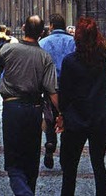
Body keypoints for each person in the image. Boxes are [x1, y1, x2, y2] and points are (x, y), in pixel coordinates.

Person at [0, 15, 58, 195]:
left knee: (14, 163)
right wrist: (62, 115)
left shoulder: (8, 49)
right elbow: (52, 91)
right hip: (34, 110)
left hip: (12, 108)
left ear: (22, 28)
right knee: (31, 161)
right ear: (42, 33)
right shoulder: (45, 57)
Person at [57, 17, 106, 196]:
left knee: (70, 168)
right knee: (99, 164)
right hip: (99, 118)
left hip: (75, 119)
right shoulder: (104, 60)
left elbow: (64, 92)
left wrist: (62, 114)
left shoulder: (70, 61)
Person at [39, 13, 76, 168]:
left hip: (50, 87)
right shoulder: (73, 41)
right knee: (68, 118)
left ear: (51, 26)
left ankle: (50, 142)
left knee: (50, 116)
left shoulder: (43, 42)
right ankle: (65, 155)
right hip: (69, 87)